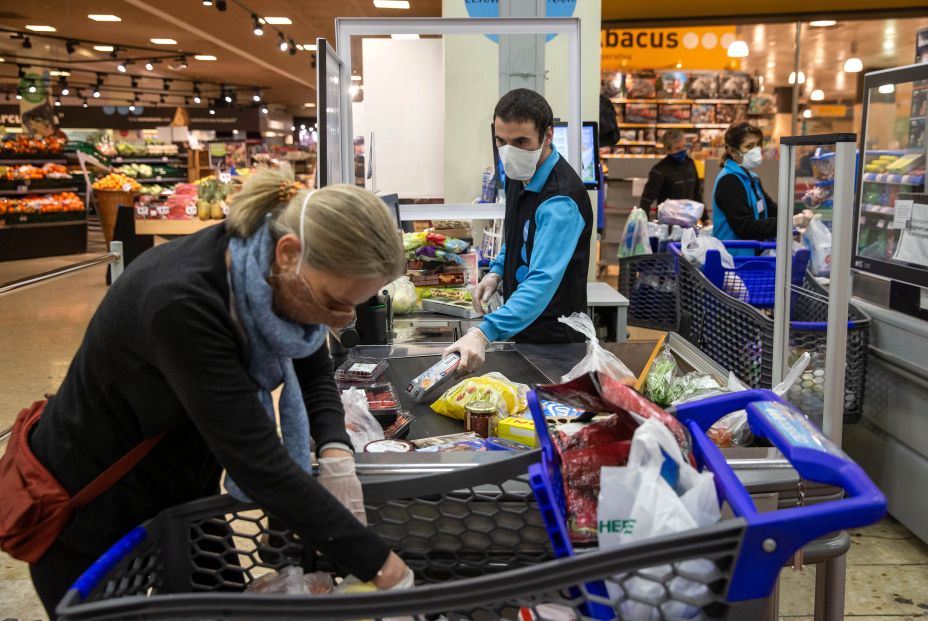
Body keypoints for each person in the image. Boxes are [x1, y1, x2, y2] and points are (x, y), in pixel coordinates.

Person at [22, 166, 411, 617]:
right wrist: (384, 568)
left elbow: (312, 362)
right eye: (336, 302)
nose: (344, 320)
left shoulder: (260, 265)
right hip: (95, 517)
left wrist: (335, 451)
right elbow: (258, 463)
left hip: (183, 489)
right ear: (289, 253)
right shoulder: (184, 304)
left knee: (223, 606)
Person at [445, 88, 593, 372]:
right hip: (523, 329)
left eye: (521, 141)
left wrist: (483, 332)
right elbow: (519, 235)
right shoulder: (518, 174)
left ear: (547, 136)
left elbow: (541, 283)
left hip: (554, 341)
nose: (510, 152)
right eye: (501, 141)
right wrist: (497, 271)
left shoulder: (560, 201)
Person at [712, 122, 779, 252]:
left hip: (751, 258)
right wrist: (787, 223)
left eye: (758, 145)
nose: (756, 150)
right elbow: (745, 227)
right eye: (749, 146)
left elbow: (770, 209)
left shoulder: (751, 178)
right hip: (734, 261)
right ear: (731, 150)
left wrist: (796, 216)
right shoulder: (729, 181)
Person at [639, 129, 704, 218]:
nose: (682, 151)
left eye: (684, 147)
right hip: (667, 224)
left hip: (690, 222)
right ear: (667, 150)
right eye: (677, 149)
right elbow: (646, 200)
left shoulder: (690, 164)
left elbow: (697, 193)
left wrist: (705, 219)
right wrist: (644, 223)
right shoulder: (659, 170)